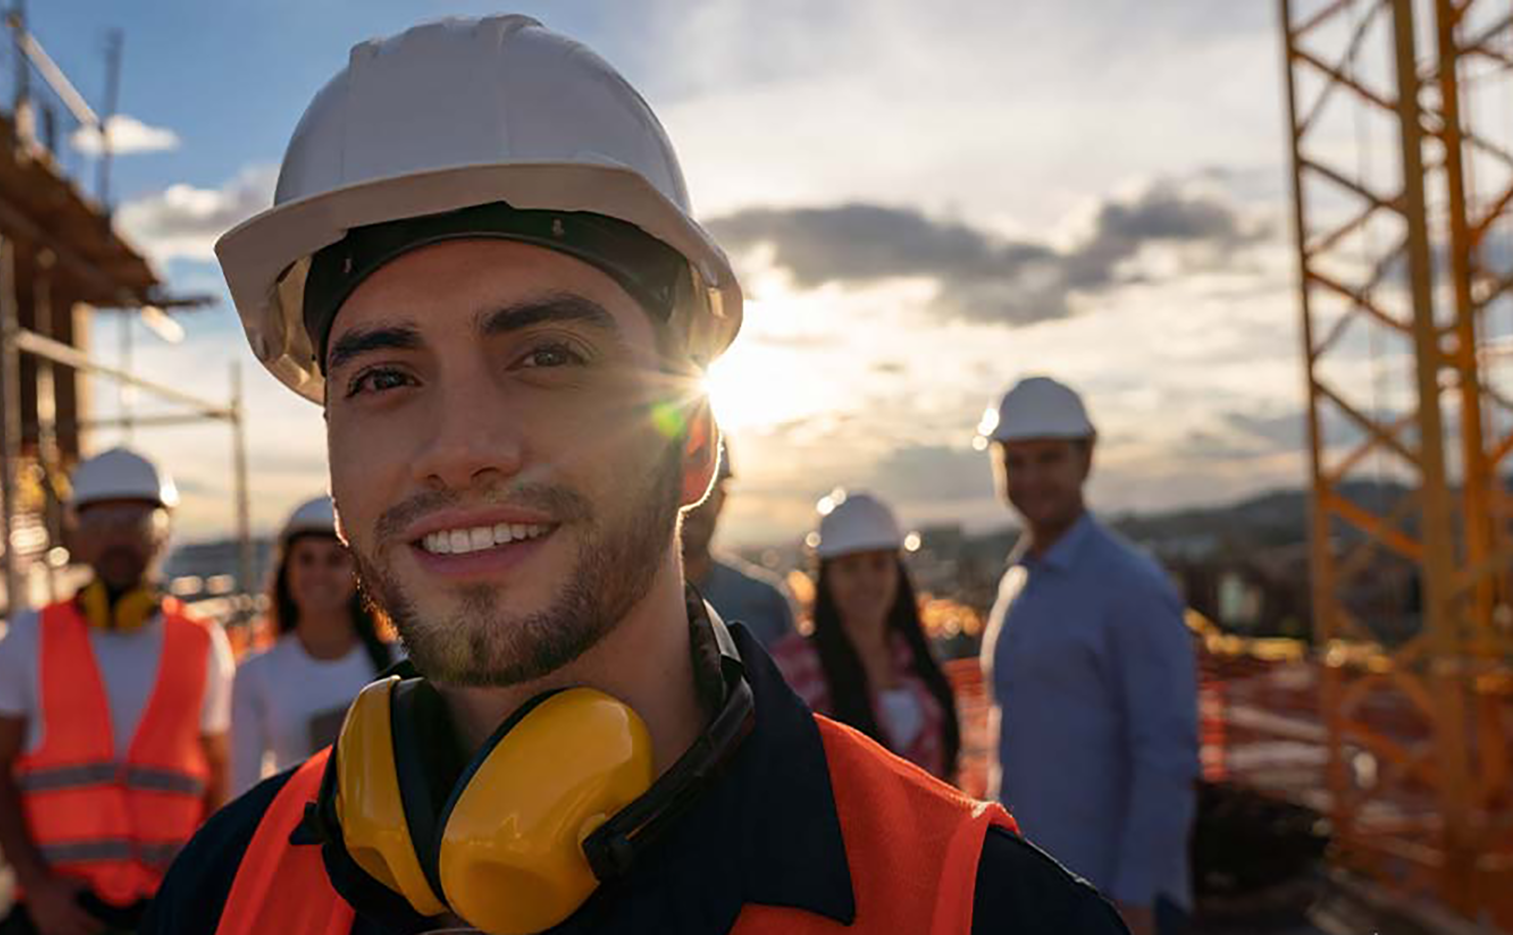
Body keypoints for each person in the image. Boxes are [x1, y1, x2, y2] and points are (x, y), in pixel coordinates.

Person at [148, 16, 1126, 935]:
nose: (461, 445)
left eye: (548, 357)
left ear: (693, 440)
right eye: (386, 376)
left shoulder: (965, 904)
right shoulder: (227, 891)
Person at [0, 447, 234, 935]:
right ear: (77, 534)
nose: (117, 536)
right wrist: (38, 889)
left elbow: (222, 772)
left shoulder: (203, 642)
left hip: (170, 903)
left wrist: (204, 880)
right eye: (101, 521)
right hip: (61, 911)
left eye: (134, 520)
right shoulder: (28, 639)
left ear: (163, 533)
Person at [977, 376, 1199, 935]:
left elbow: (1166, 753)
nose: (1030, 478)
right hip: (1040, 888)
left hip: (1113, 903)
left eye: (1048, 458)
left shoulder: (1130, 586)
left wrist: (1137, 898)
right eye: (1015, 461)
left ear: (1087, 456)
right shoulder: (1018, 583)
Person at [772, 491, 962, 783]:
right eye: (849, 567)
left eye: (879, 564)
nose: (867, 581)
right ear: (826, 578)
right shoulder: (793, 667)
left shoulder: (914, 656)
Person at [230, 496, 395, 794]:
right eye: (306, 559)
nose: (318, 573)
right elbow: (242, 792)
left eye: (334, 560)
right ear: (286, 572)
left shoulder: (401, 662)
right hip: (298, 839)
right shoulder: (254, 675)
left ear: (360, 573)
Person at [679, 441, 798, 648]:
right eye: (676, 487)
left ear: (722, 499)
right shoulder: (615, 608)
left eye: (702, 490)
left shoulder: (767, 605)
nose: (690, 504)